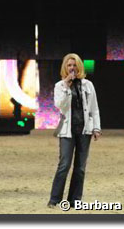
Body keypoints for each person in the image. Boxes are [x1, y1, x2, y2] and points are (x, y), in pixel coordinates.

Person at [47, 53, 101, 208]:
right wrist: (66, 86)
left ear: (79, 66)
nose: (72, 68)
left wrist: (96, 128)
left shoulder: (88, 85)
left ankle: (75, 200)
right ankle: (54, 199)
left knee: (80, 168)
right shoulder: (59, 86)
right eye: (69, 65)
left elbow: (94, 109)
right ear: (65, 67)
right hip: (67, 131)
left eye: (74, 65)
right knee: (64, 165)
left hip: (85, 131)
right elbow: (60, 105)